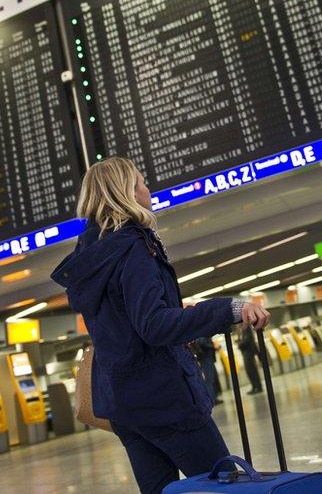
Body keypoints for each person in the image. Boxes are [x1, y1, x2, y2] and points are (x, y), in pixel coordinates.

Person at [51, 157, 270, 494]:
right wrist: (229, 309)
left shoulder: (88, 257)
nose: (147, 188)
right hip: (164, 398)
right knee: (226, 488)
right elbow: (154, 325)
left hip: (124, 404)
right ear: (125, 193)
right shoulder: (132, 247)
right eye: (141, 182)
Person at [193, 337, 222, 405]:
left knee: (212, 379)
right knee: (209, 380)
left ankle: (214, 398)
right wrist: (213, 347)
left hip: (208, 358)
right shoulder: (202, 334)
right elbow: (203, 344)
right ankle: (212, 399)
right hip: (206, 358)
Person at [238, 324, 263, 395]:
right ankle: (255, 386)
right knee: (250, 370)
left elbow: (247, 340)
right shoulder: (243, 328)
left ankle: (257, 387)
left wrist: (240, 344)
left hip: (249, 352)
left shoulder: (246, 328)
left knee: (252, 370)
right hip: (247, 352)